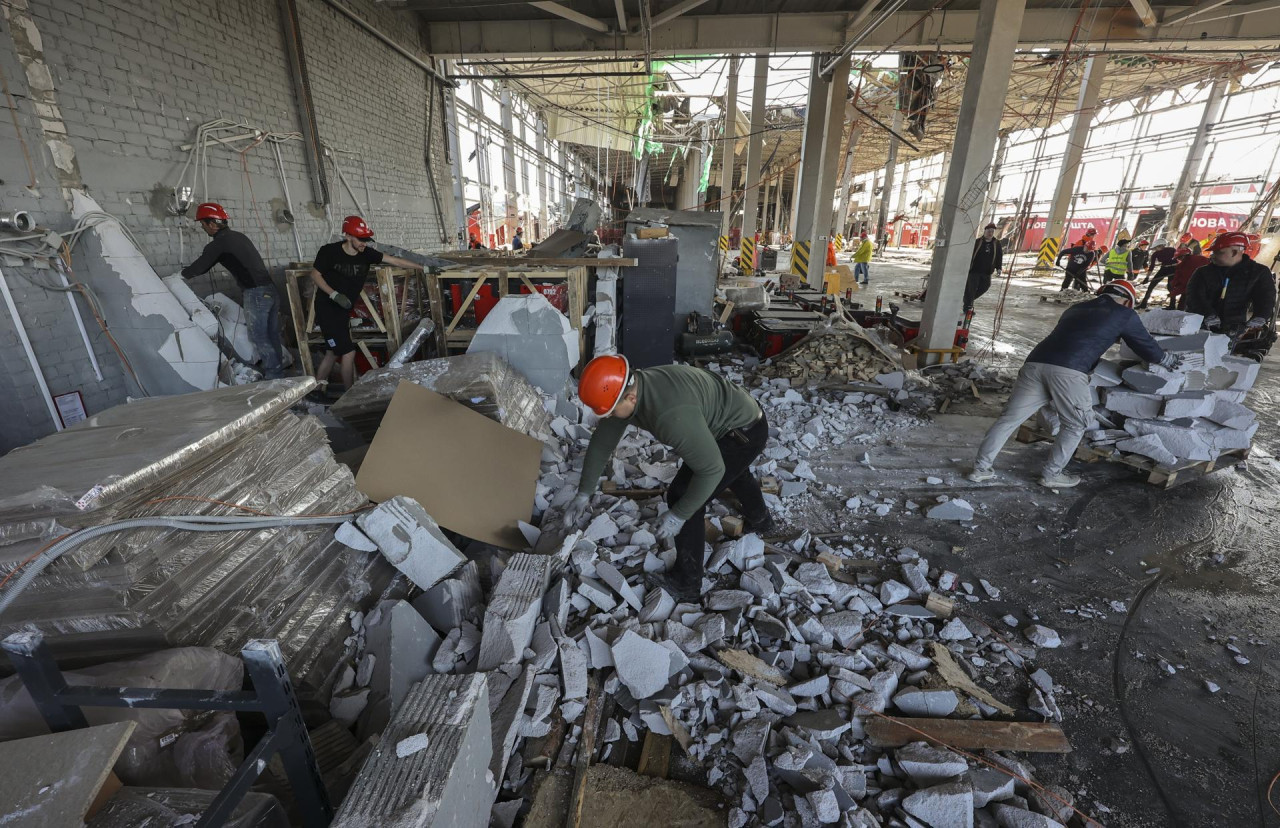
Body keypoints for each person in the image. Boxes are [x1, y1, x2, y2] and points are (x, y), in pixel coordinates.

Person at [562, 356, 772, 600]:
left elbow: (711, 470)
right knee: (734, 471)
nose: (608, 417)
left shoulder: (669, 417)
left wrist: (679, 516)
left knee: (683, 495)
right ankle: (762, 521)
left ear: (630, 398)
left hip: (743, 434)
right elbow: (601, 444)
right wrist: (584, 493)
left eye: (610, 411)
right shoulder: (635, 385)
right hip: (737, 416)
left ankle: (688, 583)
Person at [969, 280, 1192, 489]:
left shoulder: (1074, 309)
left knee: (1009, 419)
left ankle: (980, 469)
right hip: (1069, 371)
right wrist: (1166, 359)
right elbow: (1144, 344)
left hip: (1035, 364)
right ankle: (1052, 474)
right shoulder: (1124, 314)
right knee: (1076, 424)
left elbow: (1080, 335)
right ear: (1127, 301)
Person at [308, 215, 425, 395]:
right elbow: (315, 275)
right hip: (328, 309)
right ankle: (350, 395)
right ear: (348, 236)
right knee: (348, 352)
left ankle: (316, 390)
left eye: (366, 240)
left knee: (332, 352)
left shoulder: (366, 254)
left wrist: (422, 268)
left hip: (344, 310)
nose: (364, 243)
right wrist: (334, 294)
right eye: (360, 240)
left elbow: (393, 260)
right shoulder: (329, 252)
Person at [181, 202, 285, 379]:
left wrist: (180, 276)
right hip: (270, 291)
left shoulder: (219, 243)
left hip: (256, 293)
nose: (203, 228)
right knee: (271, 333)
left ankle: (274, 377)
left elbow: (200, 266)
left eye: (203, 224)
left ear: (212, 224)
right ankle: (279, 371)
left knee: (259, 336)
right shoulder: (238, 237)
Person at [1184, 231, 1276, 332]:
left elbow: (1265, 297)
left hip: (1235, 328)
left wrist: (1260, 317)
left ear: (1234, 252)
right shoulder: (1203, 272)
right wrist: (1208, 315)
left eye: (1218, 252)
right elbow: (1194, 296)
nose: (1212, 256)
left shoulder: (1258, 273)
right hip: (1201, 326)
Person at [963, 223, 1003, 312]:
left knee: (985, 287)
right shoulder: (977, 242)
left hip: (987, 272)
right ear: (985, 231)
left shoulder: (996, 243)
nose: (990, 233)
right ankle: (967, 307)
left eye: (992, 231)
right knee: (971, 289)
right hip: (974, 271)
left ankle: (968, 300)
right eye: (989, 231)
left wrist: (999, 268)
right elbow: (970, 254)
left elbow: (999, 256)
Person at [1138, 241, 1178, 307]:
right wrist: (1147, 277)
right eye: (1154, 248)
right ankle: (1143, 303)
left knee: (1171, 287)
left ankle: (1172, 305)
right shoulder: (1155, 254)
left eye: (1156, 248)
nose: (1155, 249)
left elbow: (1179, 259)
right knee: (1151, 285)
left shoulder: (1172, 250)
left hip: (1173, 269)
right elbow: (1151, 267)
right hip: (1163, 269)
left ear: (1161, 246)